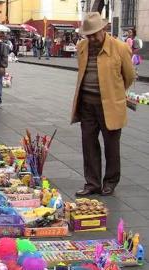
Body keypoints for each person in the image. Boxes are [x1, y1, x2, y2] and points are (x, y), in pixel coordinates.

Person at [71, 12, 135, 196]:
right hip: (87, 105)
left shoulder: (120, 48)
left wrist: (114, 92)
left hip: (111, 105)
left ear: (104, 29)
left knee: (111, 146)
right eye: (88, 35)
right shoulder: (82, 47)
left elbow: (129, 76)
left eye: (94, 34)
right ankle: (92, 183)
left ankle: (110, 182)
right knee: (88, 144)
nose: (91, 38)